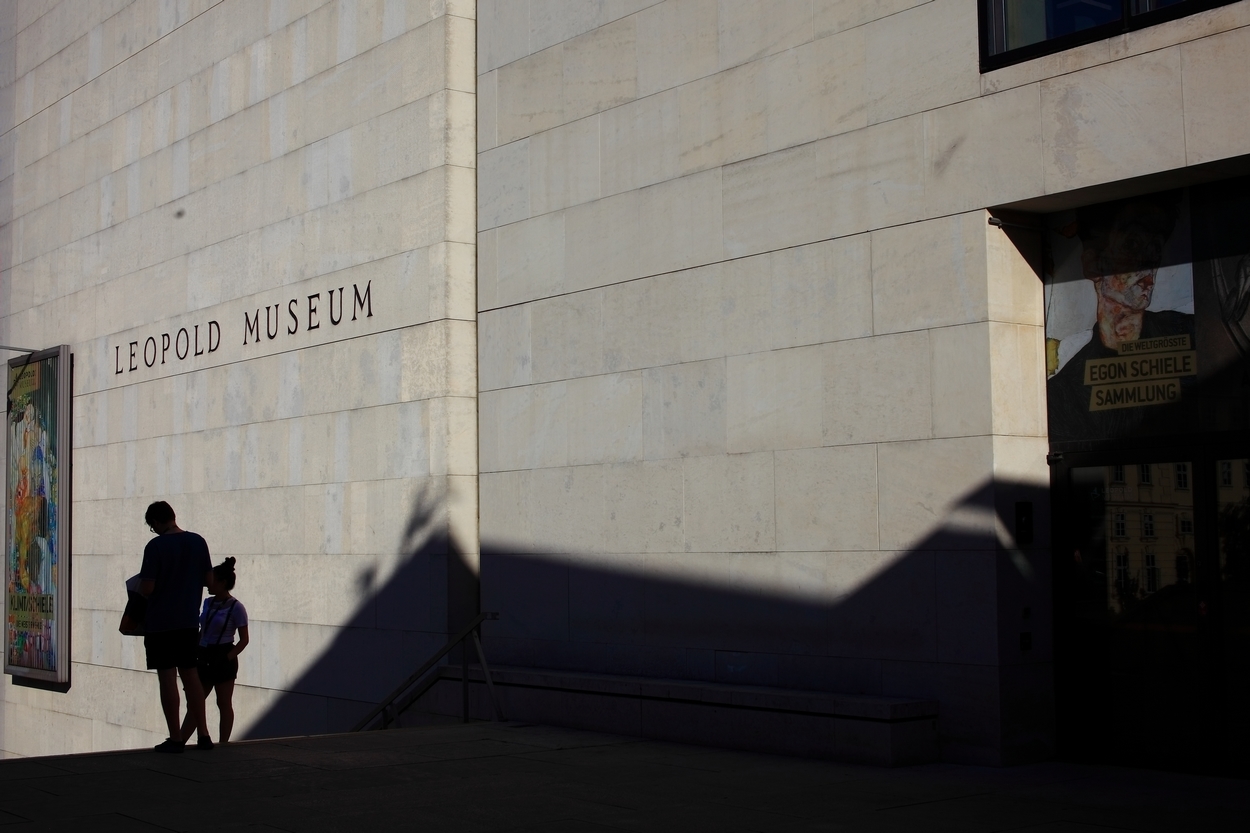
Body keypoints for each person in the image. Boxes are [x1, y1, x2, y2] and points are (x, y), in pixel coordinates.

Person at [1047, 192, 1194, 442]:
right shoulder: (1065, 394)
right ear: (1094, 265)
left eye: (1155, 248)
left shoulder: (1192, 335)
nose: (1149, 262)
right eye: (1132, 245)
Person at [138, 501, 213, 752]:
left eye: (152, 526)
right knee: (191, 675)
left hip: (161, 623)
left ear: (157, 523)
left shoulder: (156, 546)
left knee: (168, 678)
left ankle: (176, 737)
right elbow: (209, 581)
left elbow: (147, 587)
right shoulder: (198, 542)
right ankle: (203, 734)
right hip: (190, 621)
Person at [180, 557, 249, 745]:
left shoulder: (236, 607)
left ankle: (223, 743)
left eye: (212, 580)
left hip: (223, 654)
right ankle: (182, 739)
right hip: (203, 653)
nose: (207, 584)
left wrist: (227, 657)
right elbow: (203, 629)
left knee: (223, 702)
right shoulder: (208, 603)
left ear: (222, 582)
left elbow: (244, 640)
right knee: (196, 700)